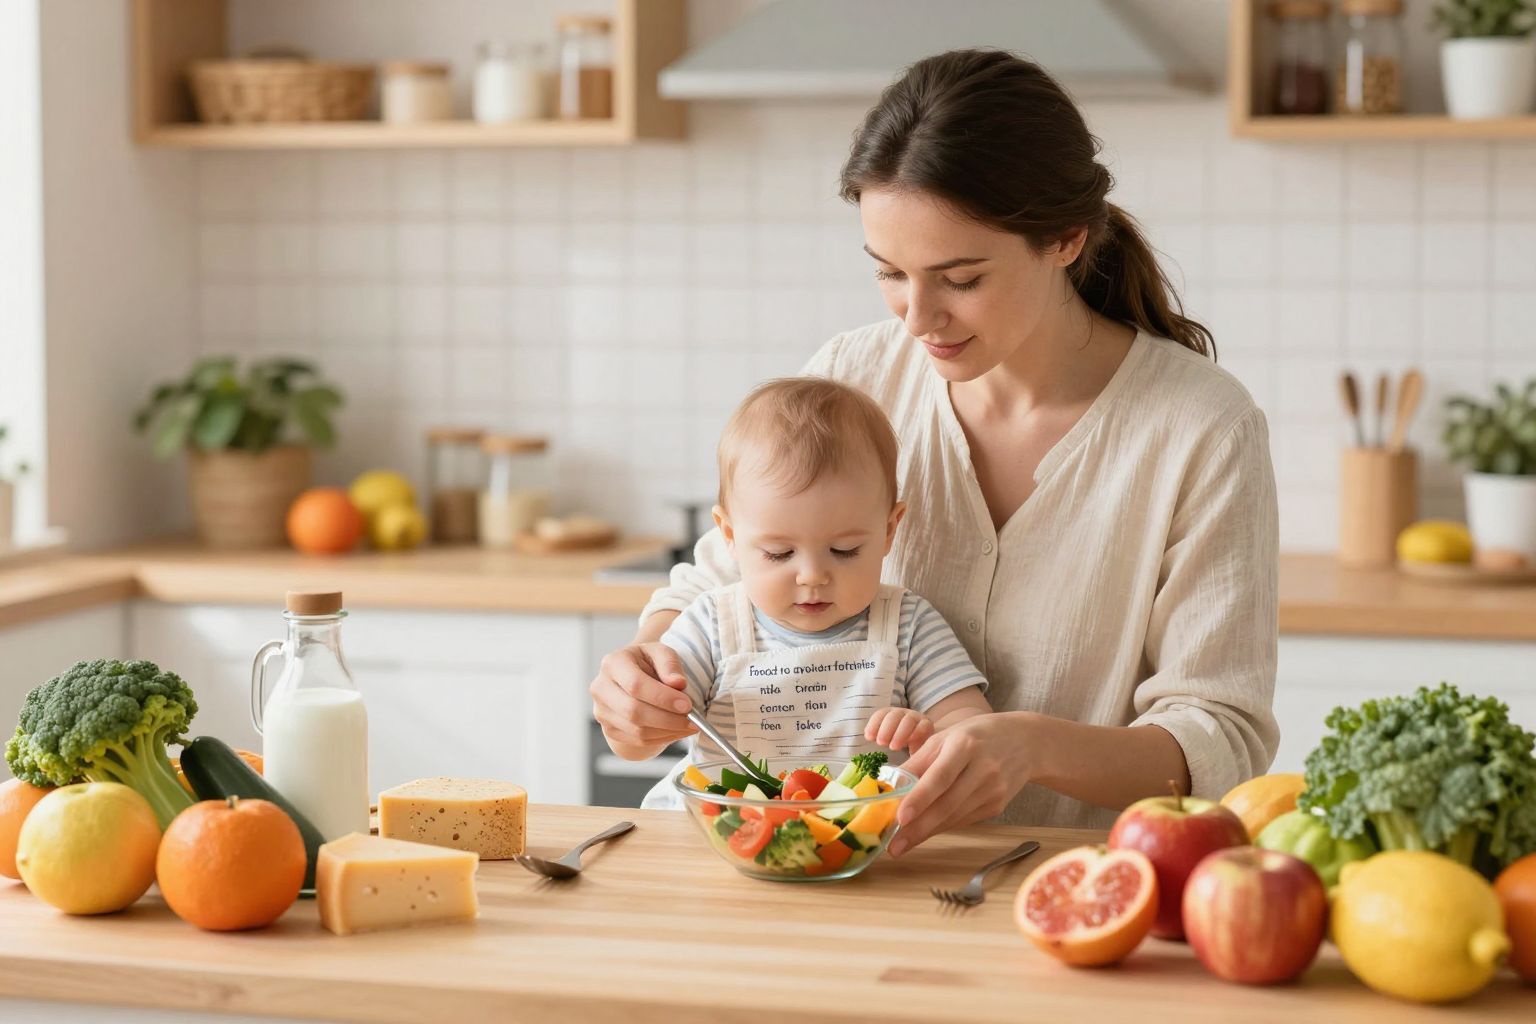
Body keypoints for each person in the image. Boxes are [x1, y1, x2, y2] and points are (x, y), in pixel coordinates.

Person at [591, 49, 1279, 855]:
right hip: (825, 879)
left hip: (1062, 892)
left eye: (959, 278)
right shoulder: (855, 374)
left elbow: (1218, 738)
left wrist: (1032, 747)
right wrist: (644, 674)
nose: (918, 318)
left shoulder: (1200, 427)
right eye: (890, 272)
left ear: (1063, 238)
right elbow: (717, 581)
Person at [611, 377, 993, 809]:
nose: (812, 576)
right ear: (730, 536)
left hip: (861, 849)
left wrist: (927, 732)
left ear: (889, 529)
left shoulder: (908, 625)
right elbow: (635, 741)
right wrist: (638, 721)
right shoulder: (711, 625)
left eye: (844, 550)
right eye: (779, 553)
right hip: (722, 843)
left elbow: (973, 729)